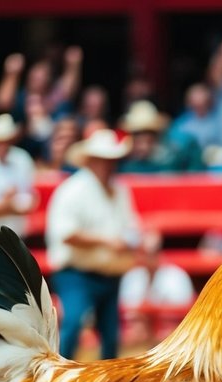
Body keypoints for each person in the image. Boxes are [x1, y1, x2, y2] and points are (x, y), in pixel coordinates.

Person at [45, 129, 158, 359]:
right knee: (75, 322)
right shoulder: (72, 190)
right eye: (105, 160)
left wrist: (142, 238)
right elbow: (65, 234)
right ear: (92, 161)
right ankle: (59, 371)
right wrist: (107, 241)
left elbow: (130, 226)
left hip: (110, 272)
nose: (110, 166)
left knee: (110, 334)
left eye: (112, 161)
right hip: (76, 272)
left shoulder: (119, 190)